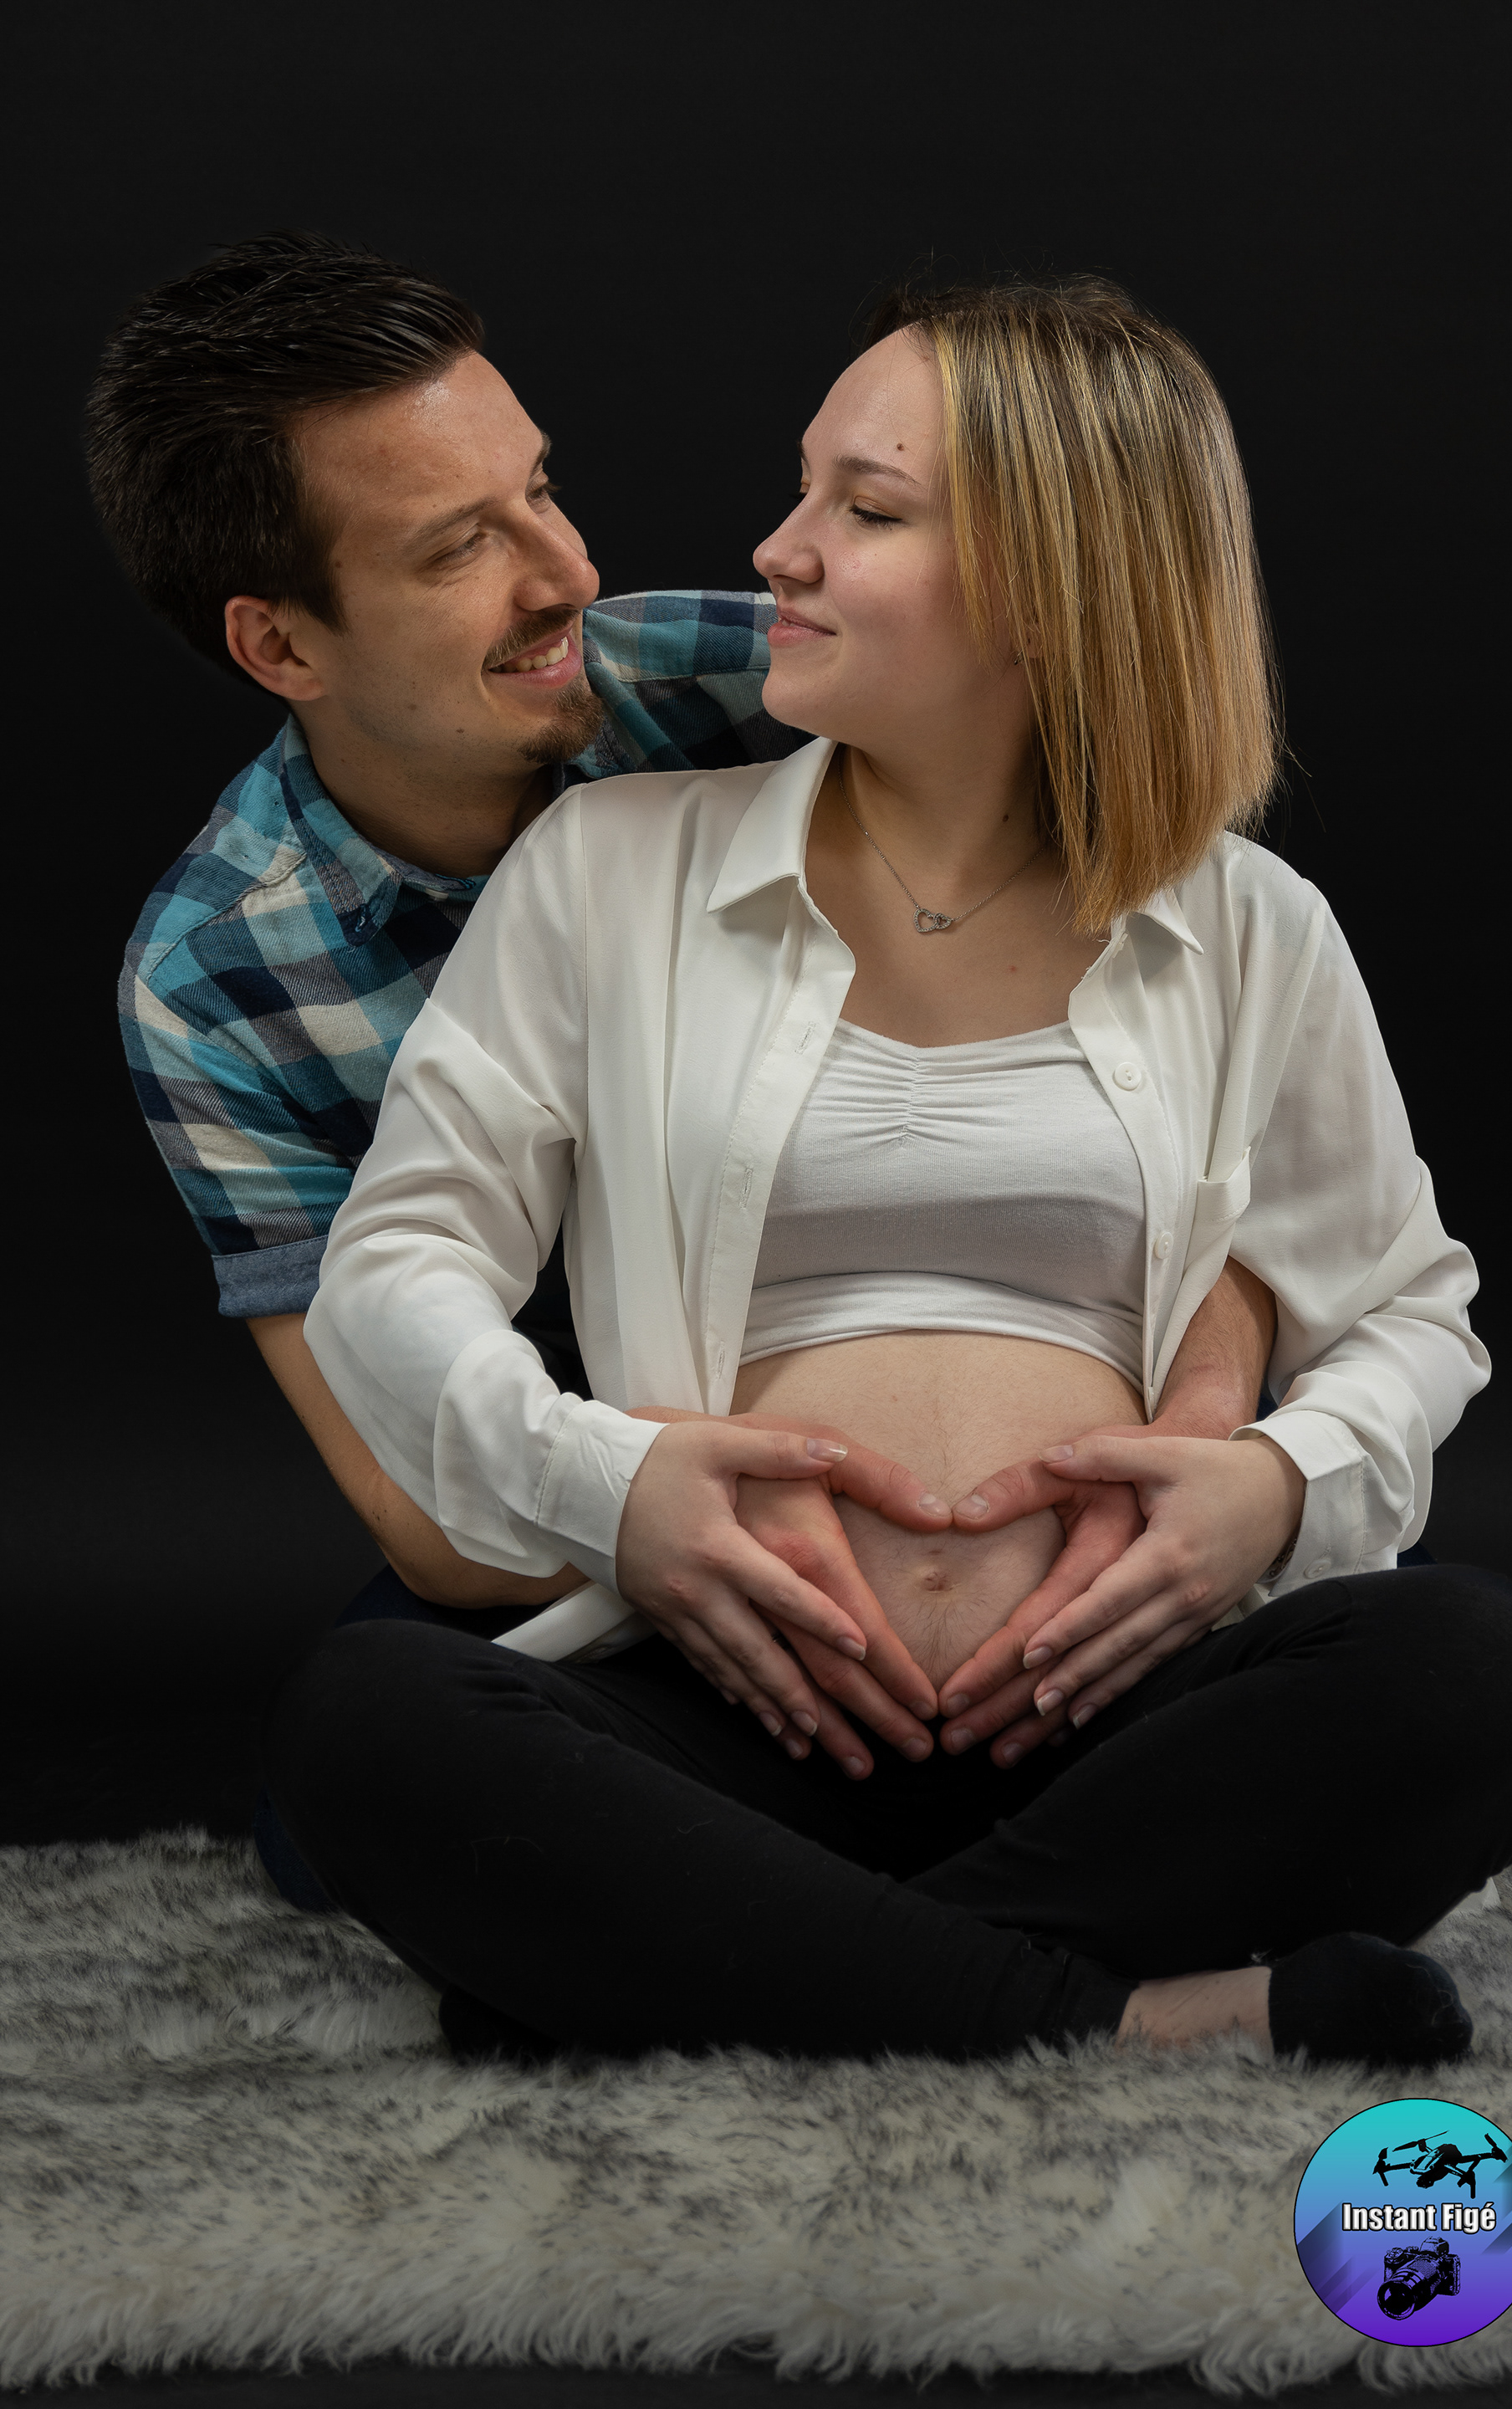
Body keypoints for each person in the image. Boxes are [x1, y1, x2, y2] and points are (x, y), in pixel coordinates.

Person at [268, 275, 1512, 2073]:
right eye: (804, 487)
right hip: (735, 1701)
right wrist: (613, 1487)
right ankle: (1109, 2010)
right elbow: (395, 1264)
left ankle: (725, 1964)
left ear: (1054, 585)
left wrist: (1272, 1491)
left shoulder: (1250, 925)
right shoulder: (609, 869)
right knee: (367, 1715)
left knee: (1481, 1670)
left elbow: (1411, 1315)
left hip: (1117, 1714)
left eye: (863, 509)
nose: (777, 550)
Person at [94, 236, 1277, 1865]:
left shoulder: (757, 678)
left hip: (1048, 1453)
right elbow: (423, 1515)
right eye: (459, 548)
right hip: (597, 1521)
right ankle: (1013, 1930)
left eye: (539, 491)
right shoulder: (215, 979)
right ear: (283, 647)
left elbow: (1212, 1054)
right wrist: (735, 1552)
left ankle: (808, 1911)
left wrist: (1200, 1434)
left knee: (1446, 1673)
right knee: (348, 1789)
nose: (566, 574)